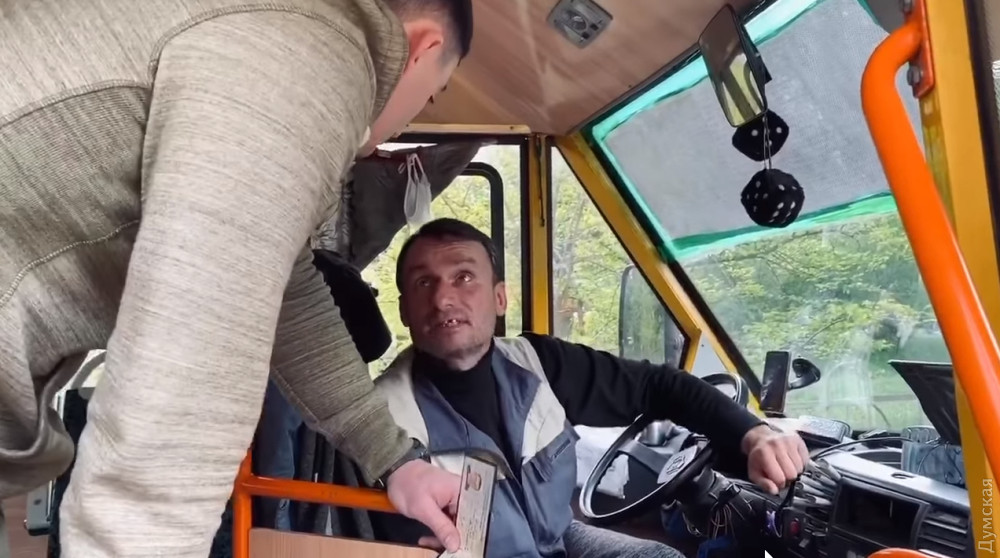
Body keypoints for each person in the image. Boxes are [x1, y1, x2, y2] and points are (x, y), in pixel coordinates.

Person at [0, 1, 472, 556]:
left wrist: (395, 461)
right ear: (422, 47)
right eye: (432, 95)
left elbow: (288, 295)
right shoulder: (312, 52)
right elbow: (189, 369)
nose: (413, 119)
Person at [371, 218, 811, 558]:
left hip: (556, 540)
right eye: (423, 282)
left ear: (500, 298)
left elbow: (659, 385)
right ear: (405, 310)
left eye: (464, 277)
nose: (443, 298)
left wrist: (753, 433)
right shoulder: (377, 418)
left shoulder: (539, 362)